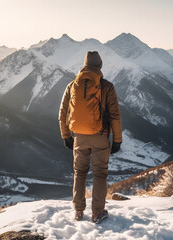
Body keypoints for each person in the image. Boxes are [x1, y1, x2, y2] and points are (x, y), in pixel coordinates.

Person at [59, 51, 122, 223]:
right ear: (100, 66)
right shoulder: (107, 86)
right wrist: (117, 140)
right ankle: (97, 213)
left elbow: (63, 112)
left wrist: (66, 135)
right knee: (100, 174)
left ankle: (78, 211)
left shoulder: (72, 85)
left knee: (80, 173)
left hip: (79, 137)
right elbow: (115, 115)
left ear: (85, 65)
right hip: (100, 137)